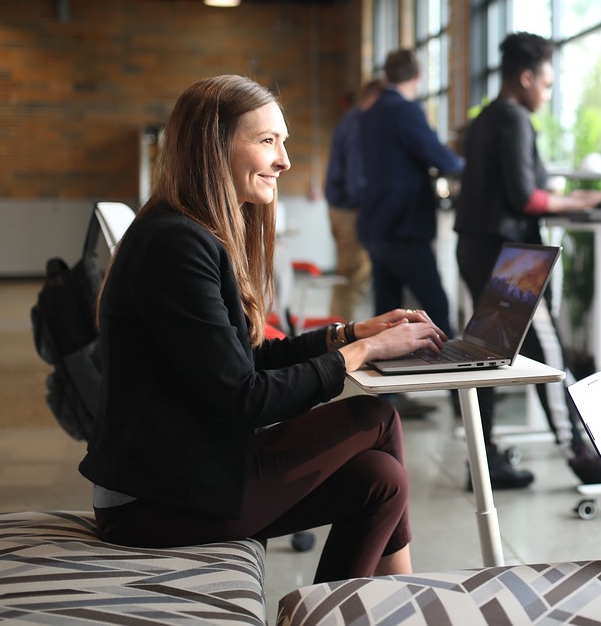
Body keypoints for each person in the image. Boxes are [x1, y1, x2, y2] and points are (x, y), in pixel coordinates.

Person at [80, 74, 448, 583]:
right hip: (153, 500)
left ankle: (349, 614)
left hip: (178, 474)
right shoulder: (175, 245)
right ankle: (408, 600)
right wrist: (362, 354)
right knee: (376, 418)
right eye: (267, 141)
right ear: (215, 148)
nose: (284, 161)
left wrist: (350, 333)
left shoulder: (186, 231)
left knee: (380, 480)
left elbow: (245, 359)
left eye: (284, 141)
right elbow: (245, 397)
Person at [454, 32, 601, 489]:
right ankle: (580, 455)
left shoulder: (485, 119)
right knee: (549, 352)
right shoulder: (515, 118)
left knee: (485, 355)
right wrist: (581, 199)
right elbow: (526, 197)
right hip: (508, 257)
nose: (547, 92)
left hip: (478, 246)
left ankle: (482, 462)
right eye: (545, 83)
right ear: (525, 78)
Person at [357, 49, 464, 376]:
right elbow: (442, 159)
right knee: (436, 309)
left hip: (376, 225)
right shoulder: (405, 111)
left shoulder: (370, 112)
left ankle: (385, 396)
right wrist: (471, 168)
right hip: (404, 226)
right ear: (417, 77)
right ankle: (460, 392)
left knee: (388, 316)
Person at [323, 78, 384, 322]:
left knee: (348, 275)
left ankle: (337, 330)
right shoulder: (359, 122)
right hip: (351, 210)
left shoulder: (349, 119)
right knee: (354, 276)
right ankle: (341, 336)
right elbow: (355, 174)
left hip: (340, 207)